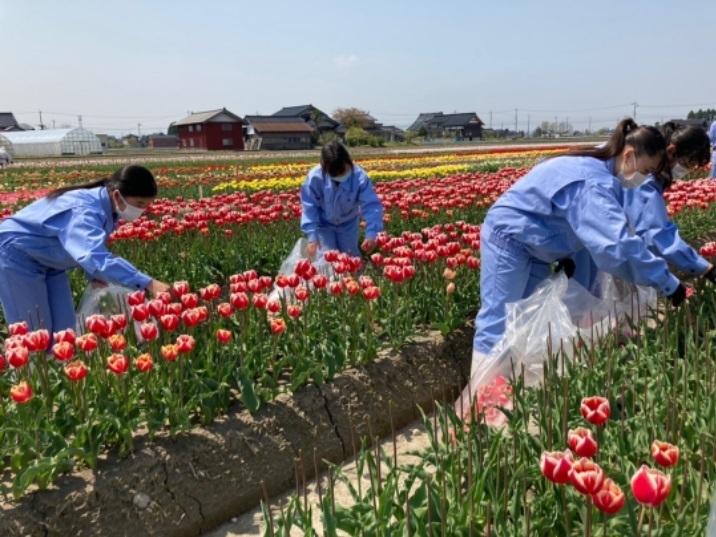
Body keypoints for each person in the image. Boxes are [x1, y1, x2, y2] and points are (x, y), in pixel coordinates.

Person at [472, 119, 686, 370]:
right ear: (629, 155)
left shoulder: (600, 169)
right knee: (499, 319)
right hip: (509, 239)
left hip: (539, 248)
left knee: (528, 320)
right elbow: (617, 244)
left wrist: (567, 252)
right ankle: (483, 397)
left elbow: (566, 214)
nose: (644, 179)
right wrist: (666, 282)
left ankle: (511, 388)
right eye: (647, 171)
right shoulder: (593, 182)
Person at [0, 165, 170, 338]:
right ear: (117, 195)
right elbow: (93, 256)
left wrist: (95, 276)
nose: (141, 211)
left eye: (147, 205)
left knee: (64, 331)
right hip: (16, 254)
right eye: (139, 204)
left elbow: (85, 246)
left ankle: (57, 363)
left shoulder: (109, 209)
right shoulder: (84, 211)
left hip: (51, 262)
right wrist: (148, 283)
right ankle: (28, 364)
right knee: (33, 332)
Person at [568, 122, 715, 292]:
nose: (688, 171)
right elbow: (655, 233)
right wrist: (704, 268)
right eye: (688, 164)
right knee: (581, 293)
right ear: (672, 151)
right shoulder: (644, 176)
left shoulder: (639, 157)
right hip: (579, 232)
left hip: (582, 226)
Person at [300, 141, 383, 259]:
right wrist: (312, 236)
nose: (340, 177)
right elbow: (309, 207)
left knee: (350, 258)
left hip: (348, 225)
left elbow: (371, 206)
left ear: (348, 161)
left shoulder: (359, 177)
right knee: (327, 259)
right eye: (334, 174)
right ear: (325, 168)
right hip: (324, 225)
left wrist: (371, 234)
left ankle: (354, 277)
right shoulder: (315, 178)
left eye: (343, 172)